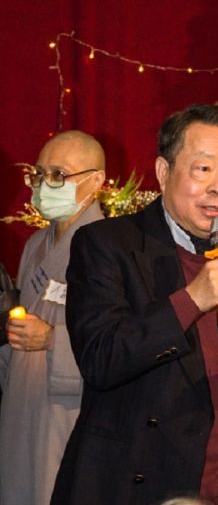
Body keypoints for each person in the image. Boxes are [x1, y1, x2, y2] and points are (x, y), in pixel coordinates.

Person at [52, 105, 218, 505]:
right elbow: (101, 359)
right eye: (204, 169)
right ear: (163, 172)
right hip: (131, 485)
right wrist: (192, 299)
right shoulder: (108, 245)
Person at [0, 130, 106, 505]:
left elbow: (120, 342)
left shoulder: (109, 248)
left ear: (97, 181)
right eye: (40, 174)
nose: (46, 185)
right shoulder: (36, 244)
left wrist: (51, 339)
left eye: (60, 175)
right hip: (23, 404)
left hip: (68, 410)